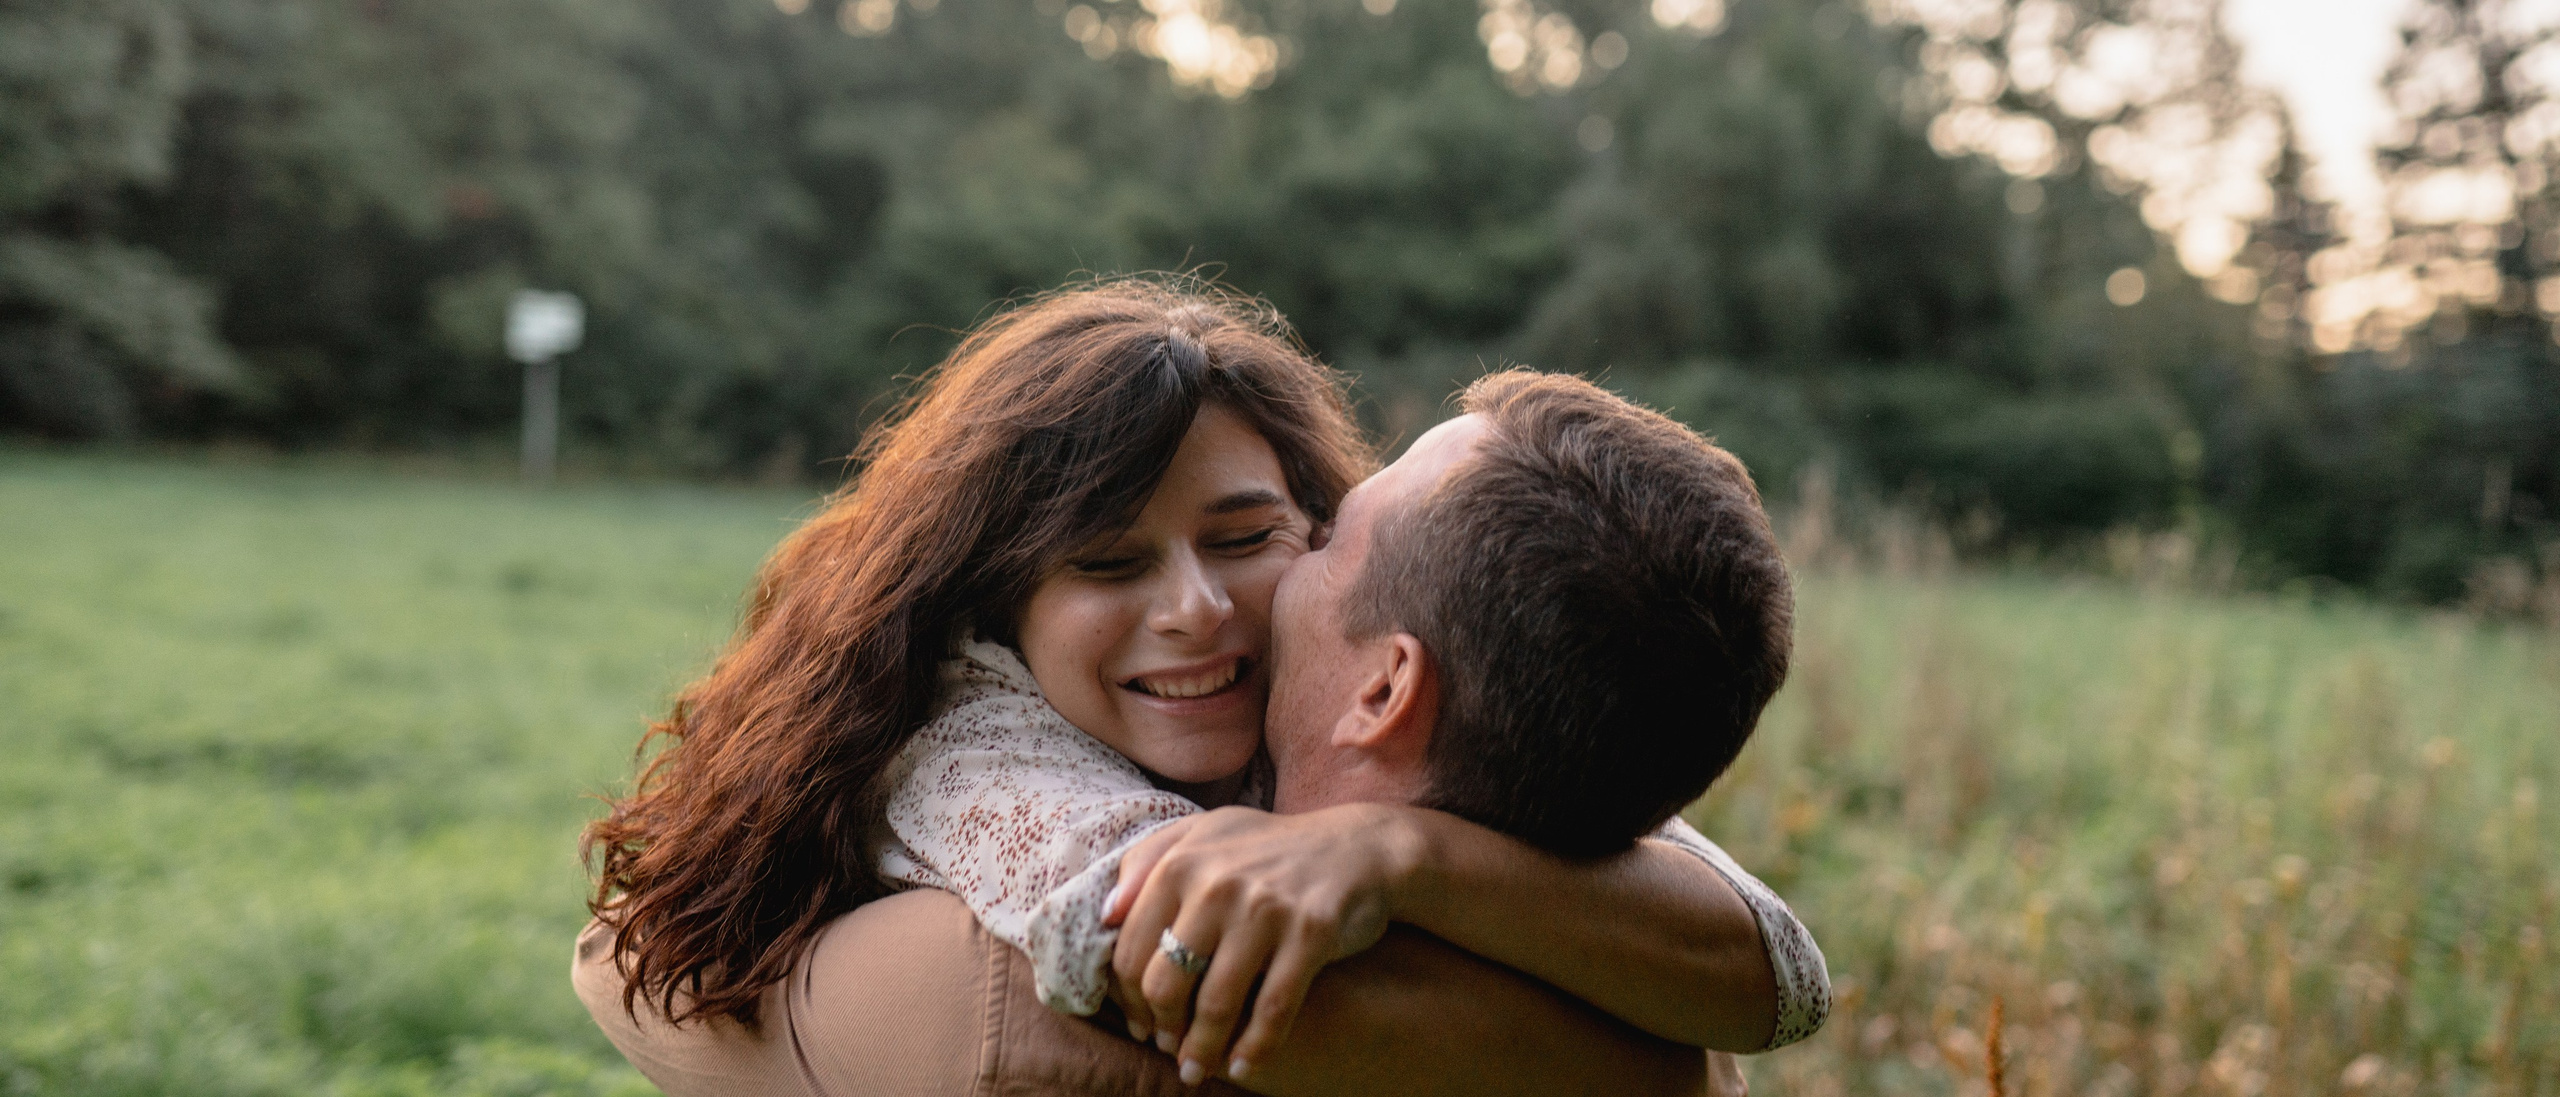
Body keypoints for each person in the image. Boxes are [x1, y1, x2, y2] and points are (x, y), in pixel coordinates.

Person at [577, 280, 1824, 1094]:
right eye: (1108, 560)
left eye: (1259, 537)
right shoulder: (966, 738)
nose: (1196, 607)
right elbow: (1125, 955)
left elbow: (1772, 956)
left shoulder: (1391, 695)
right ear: (1003, 591)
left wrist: (1397, 852)